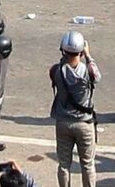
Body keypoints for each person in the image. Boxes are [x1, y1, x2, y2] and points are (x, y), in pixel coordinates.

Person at [48, 32, 99, 187]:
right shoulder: (88, 72)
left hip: (63, 122)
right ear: (81, 52)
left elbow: (59, 69)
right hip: (84, 123)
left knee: (64, 164)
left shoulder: (56, 71)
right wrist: (89, 56)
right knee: (87, 164)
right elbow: (97, 76)